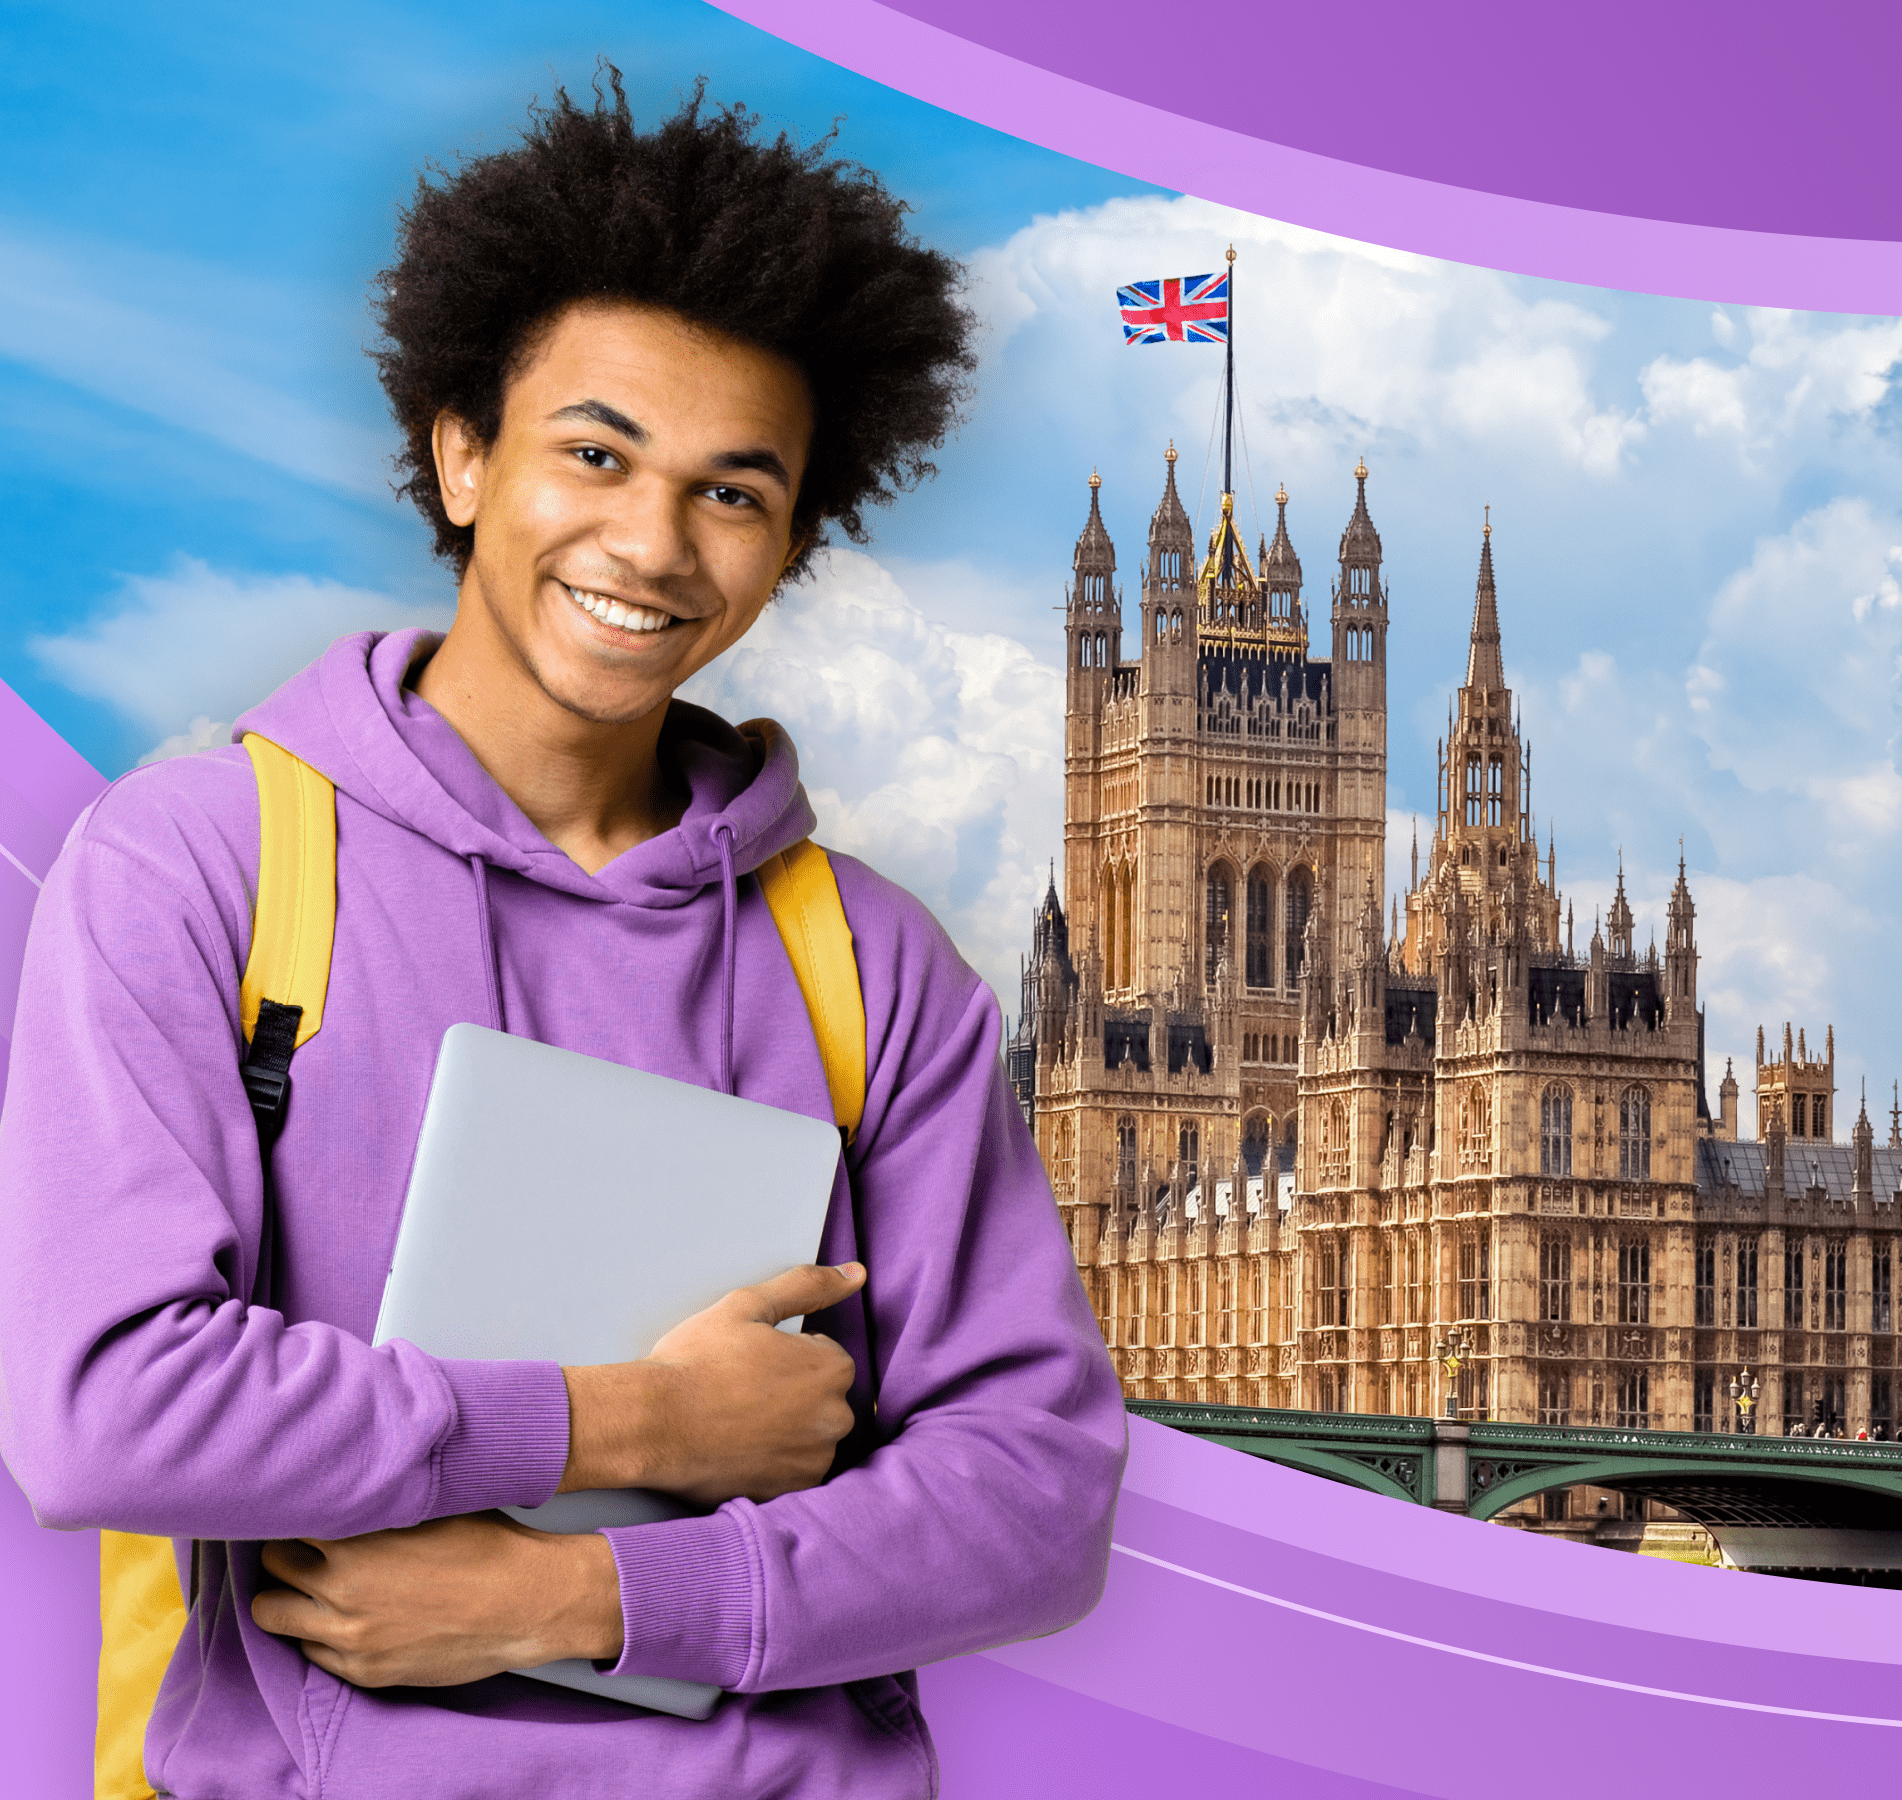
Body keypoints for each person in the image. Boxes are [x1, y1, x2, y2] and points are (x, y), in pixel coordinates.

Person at [0, 75, 1123, 1798]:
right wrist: (634, 1423)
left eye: (731, 494)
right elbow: (103, 1409)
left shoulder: (870, 965)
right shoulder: (199, 869)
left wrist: (582, 1595)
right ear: (463, 454)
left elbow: (1034, 1501)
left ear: (796, 544)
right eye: (594, 454)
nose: (649, 543)